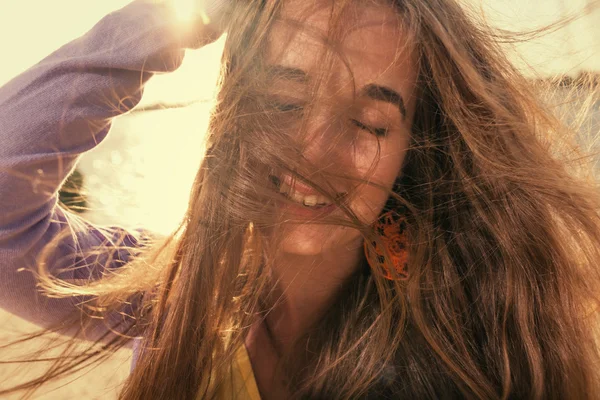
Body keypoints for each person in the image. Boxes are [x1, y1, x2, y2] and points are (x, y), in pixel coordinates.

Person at [1, 0, 600, 398]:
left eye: (369, 122)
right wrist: (178, 18)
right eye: (283, 103)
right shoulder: (174, 299)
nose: (312, 151)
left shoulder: (456, 358)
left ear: (412, 151)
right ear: (230, 118)